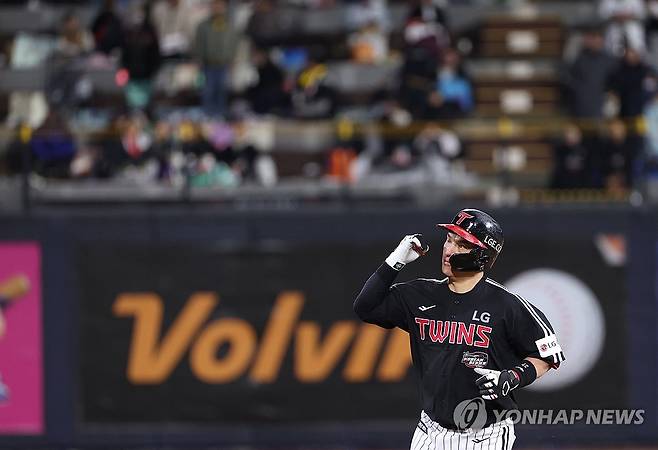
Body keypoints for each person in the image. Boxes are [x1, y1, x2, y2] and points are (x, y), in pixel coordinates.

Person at [353, 209, 565, 449]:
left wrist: (512, 377)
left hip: (485, 436)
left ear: (482, 255)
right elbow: (365, 308)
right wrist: (394, 261)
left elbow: (548, 355)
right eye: (449, 239)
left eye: (462, 245)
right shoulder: (421, 294)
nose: (449, 249)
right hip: (429, 431)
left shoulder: (506, 305)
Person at [193, 0, 241, 117]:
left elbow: (234, 44)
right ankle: (207, 117)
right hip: (208, 65)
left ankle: (221, 118)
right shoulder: (203, 25)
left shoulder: (229, 25)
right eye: (214, 4)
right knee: (207, 92)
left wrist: (233, 60)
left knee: (222, 92)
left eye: (220, 4)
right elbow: (198, 45)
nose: (217, 7)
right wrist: (198, 60)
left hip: (224, 65)